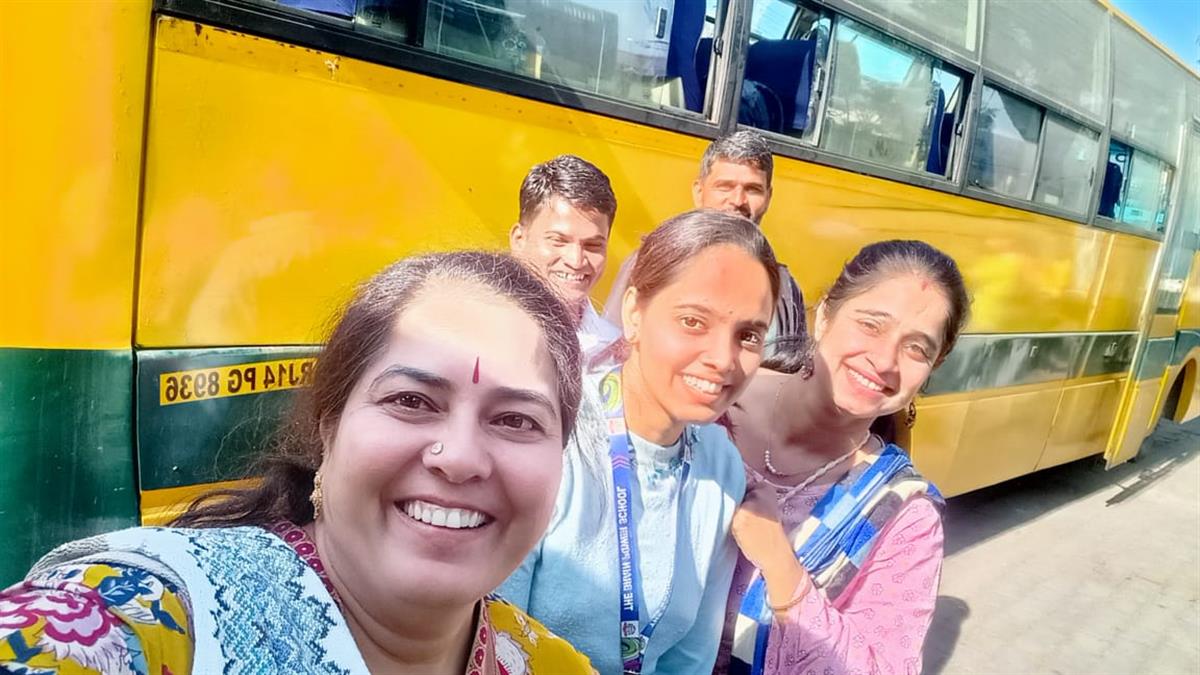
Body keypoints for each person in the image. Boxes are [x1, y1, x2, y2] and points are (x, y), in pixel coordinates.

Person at [0, 252, 596, 674]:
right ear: (327, 428)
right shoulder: (135, 620)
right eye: (411, 402)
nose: (460, 458)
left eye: (516, 420)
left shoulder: (549, 663)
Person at [500, 209, 781, 674]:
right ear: (634, 312)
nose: (723, 359)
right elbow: (489, 632)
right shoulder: (552, 431)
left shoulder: (721, 464)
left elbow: (689, 659)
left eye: (748, 335)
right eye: (693, 321)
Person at [714, 240, 971, 675]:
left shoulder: (903, 519)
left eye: (916, 349)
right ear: (825, 314)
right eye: (871, 325)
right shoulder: (713, 401)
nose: (885, 361)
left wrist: (781, 566)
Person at [602, 131, 804, 366]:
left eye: (752, 189)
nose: (738, 200)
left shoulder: (785, 287)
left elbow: (791, 373)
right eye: (725, 186)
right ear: (699, 192)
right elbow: (609, 353)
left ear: (768, 198)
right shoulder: (652, 263)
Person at [510, 154, 621, 364]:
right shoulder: (472, 326)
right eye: (558, 241)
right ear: (519, 240)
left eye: (593, 246)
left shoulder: (615, 353)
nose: (576, 261)